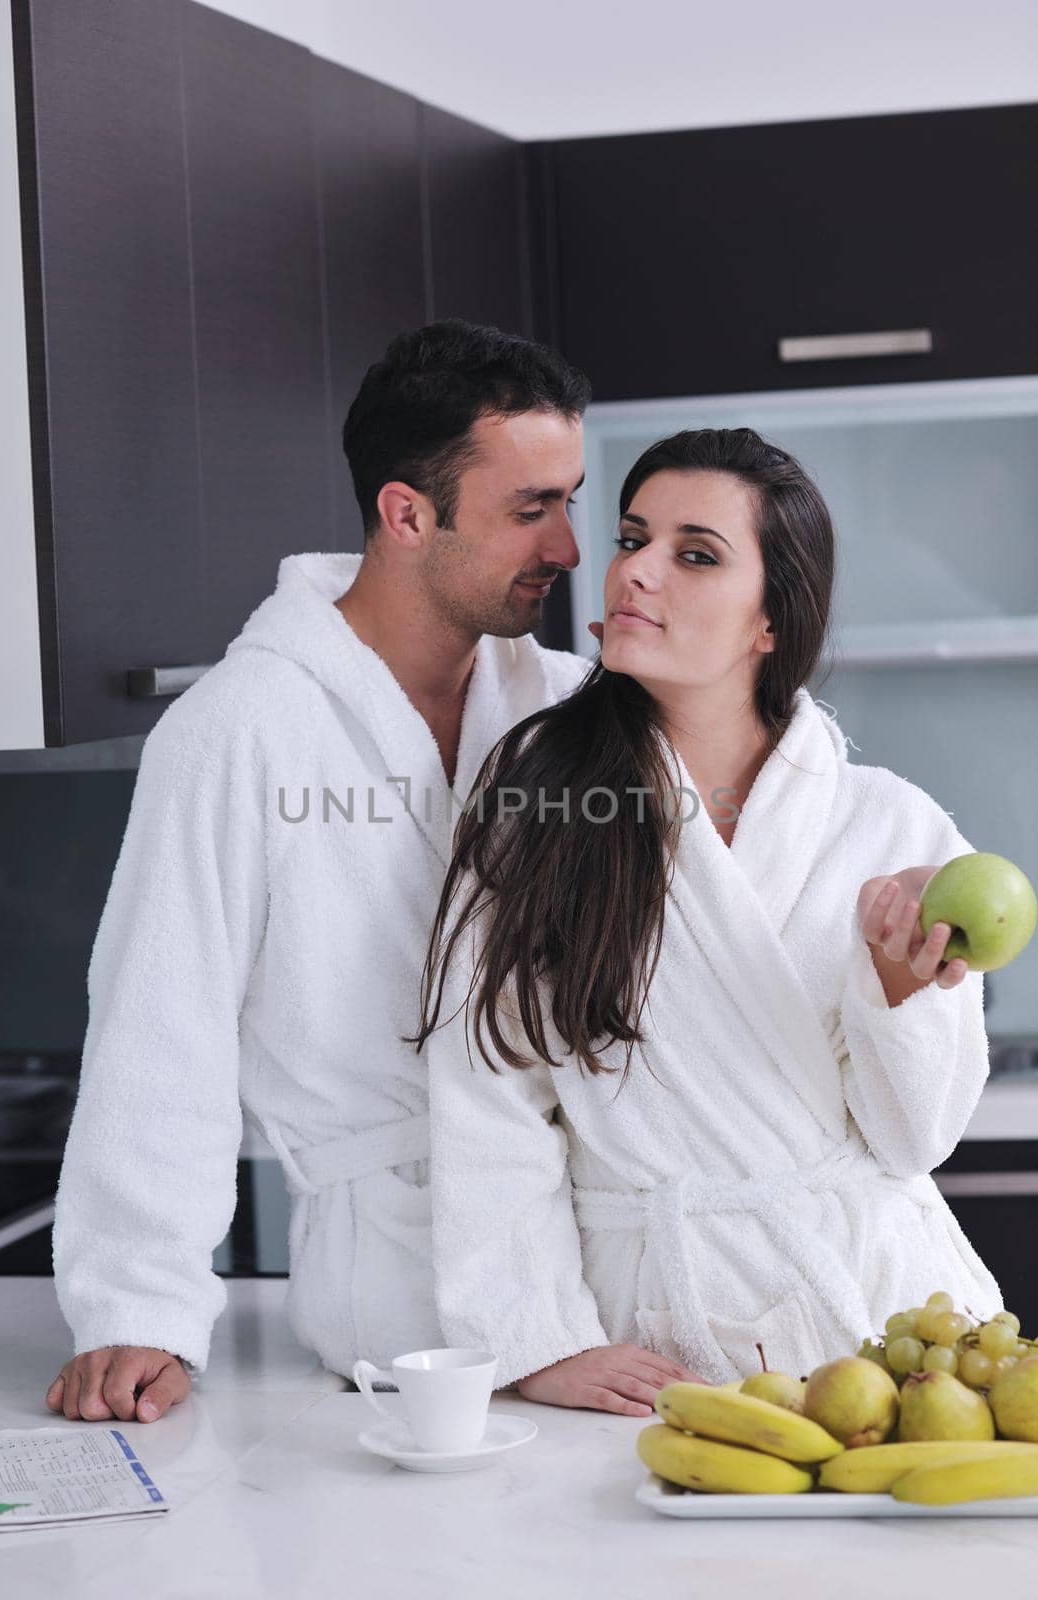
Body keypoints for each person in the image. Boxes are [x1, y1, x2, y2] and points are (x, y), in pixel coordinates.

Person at [47, 319, 700, 1426]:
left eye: (569, 498)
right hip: (404, 1289)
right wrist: (138, 1305)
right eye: (528, 508)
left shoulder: (559, 705)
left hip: (601, 1255)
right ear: (407, 514)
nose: (571, 549)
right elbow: (163, 1026)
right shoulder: (239, 729)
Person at [413, 425, 1003, 1419]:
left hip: (889, 1325)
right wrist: (538, 1339)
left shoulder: (891, 824)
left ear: (768, 619)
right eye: (630, 537)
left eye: (693, 554)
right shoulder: (542, 808)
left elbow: (914, 1143)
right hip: (657, 1343)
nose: (635, 572)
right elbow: (486, 1096)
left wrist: (896, 997)